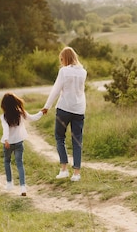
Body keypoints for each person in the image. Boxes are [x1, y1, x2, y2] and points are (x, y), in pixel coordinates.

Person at [41, 46, 87, 182]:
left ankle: (64, 170)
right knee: (77, 141)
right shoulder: (83, 72)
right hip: (79, 110)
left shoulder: (63, 71)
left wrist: (46, 107)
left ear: (65, 58)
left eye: (61, 59)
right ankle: (77, 173)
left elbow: (56, 90)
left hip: (64, 109)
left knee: (59, 137)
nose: (61, 62)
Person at [0, 92, 43, 196]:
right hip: (19, 142)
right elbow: (33, 118)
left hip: (8, 143)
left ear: (4, 105)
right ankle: (23, 187)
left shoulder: (4, 116)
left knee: (7, 161)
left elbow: (5, 129)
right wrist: (41, 112)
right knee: (20, 163)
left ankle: (9, 183)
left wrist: (6, 140)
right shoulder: (21, 113)